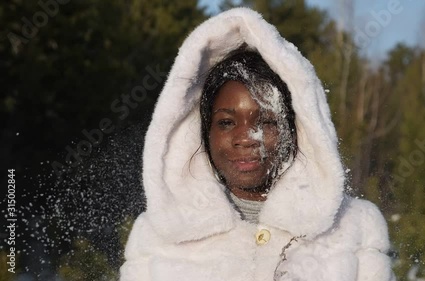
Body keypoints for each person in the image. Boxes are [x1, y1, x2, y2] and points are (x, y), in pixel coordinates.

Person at [120, 7, 395, 281]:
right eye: (226, 123)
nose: (246, 138)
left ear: (298, 128)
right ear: (204, 133)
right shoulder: (157, 236)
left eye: (266, 122)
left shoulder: (355, 228)